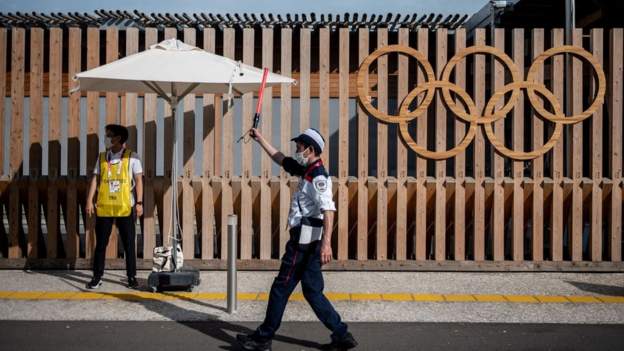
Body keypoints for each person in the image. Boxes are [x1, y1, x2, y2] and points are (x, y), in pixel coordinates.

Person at [237, 128, 358, 351]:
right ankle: (342, 334)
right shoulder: (307, 170)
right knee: (312, 291)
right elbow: (282, 159)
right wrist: (260, 138)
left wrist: (327, 243)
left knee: (280, 288)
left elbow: (328, 209)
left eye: (300, 147)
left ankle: (263, 339)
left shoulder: (317, 176)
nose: (297, 149)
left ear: (310, 149)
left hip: (303, 243)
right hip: (309, 242)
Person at [85, 124, 144, 289]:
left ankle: (131, 277)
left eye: (109, 135)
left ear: (118, 138)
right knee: (101, 244)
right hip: (105, 207)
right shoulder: (102, 157)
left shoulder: (133, 157)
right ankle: (97, 276)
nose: (107, 138)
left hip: (125, 207)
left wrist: (139, 203)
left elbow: (139, 181)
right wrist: (89, 200)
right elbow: (95, 179)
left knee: (128, 244)